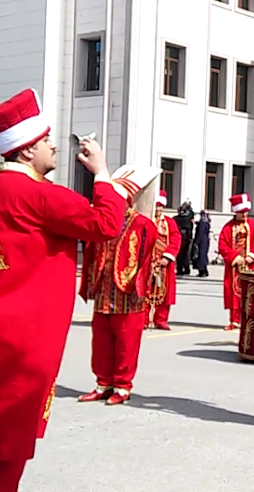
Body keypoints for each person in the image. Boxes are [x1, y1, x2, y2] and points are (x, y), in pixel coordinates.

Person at [0, 88, 137, 492]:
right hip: (20, 340)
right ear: (25, 151)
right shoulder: (39, 194)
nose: (54, 146)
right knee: (8, 445)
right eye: (46, 141)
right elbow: (106, 224)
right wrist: (103, 174)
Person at [78, 166, 160, 405]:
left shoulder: (143, 225)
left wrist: (140, 286)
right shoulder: (103, 221)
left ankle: (122, 387)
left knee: (126, 342)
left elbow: (146, 259)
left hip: (127, 292)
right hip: (104, 290)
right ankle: (103, 383)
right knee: (101, 340)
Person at [218, 194, 254, 331]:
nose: (244, 214)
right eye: (241, 212)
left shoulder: (253, 226)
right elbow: (222, 245)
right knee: (233, 292)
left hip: (249, 265)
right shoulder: (227, 228)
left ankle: (248, 319)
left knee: (249, 292)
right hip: (233, 266)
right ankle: (234, 320)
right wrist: (235, 258)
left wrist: (252, 256)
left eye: (245, 212)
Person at [145, 191, 181, 331]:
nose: (158, 209)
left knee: (164, 292)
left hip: (165, 264)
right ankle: (144, 319)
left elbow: (176, 239)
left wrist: (167, 256)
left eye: (160, 206)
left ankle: (161, 319)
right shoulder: (146, 220)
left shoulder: (169, 223)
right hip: (148, 262)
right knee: (145, 292)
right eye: (156, 206)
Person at [174, 201, 194, 275]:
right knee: (185, 255)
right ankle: (185, 268)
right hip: (186, 238)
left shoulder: (176, 219)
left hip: (181, 238)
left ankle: (181, 269)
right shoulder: (188, 218)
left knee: (181, 255)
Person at [194, 210, 212, 277]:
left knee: (200, 256)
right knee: (204, 255)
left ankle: (202, 271)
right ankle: (205, 270)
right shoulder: (207, 222)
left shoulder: (202, 222)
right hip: (206, 240)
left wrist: (196, 242)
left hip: (201, 241)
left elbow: (200, 232)